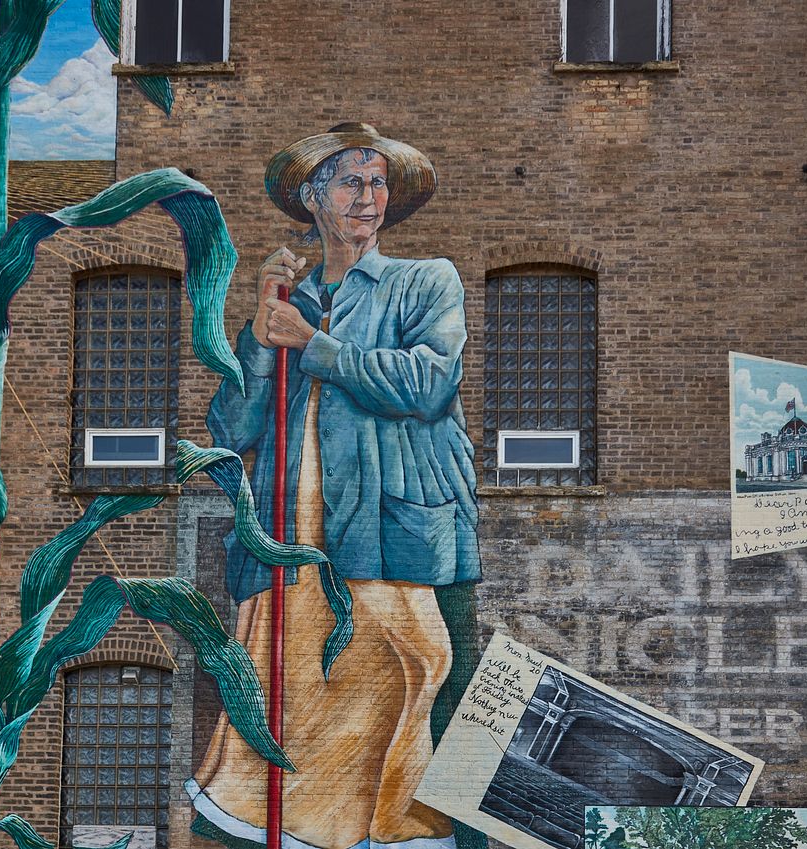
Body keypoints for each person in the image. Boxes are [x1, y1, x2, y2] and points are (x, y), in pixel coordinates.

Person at [185, 123, 481, 849]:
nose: (368, 197)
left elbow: (430, 382)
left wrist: (311, 346)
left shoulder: (424, 281)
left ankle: (407, 834)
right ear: (313, 198)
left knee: (407, 676)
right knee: (290, 697)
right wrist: (260, 331)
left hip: (392, 529)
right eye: (351, 181)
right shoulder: (289, 298)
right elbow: (232, 426)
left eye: (378, 182)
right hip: (291, 538)